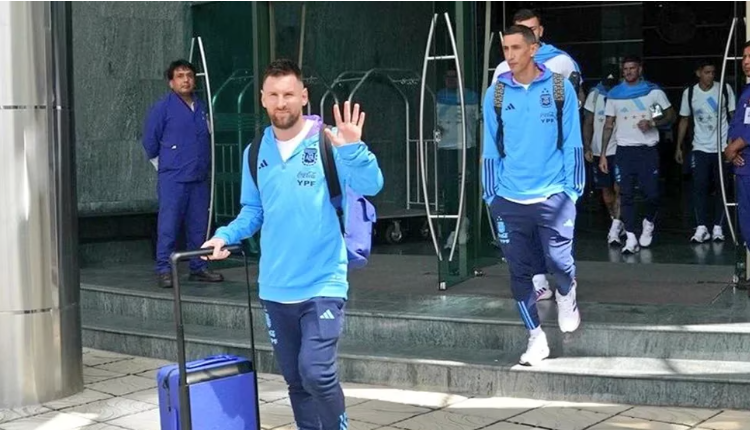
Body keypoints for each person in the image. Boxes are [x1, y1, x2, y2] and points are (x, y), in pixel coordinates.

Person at [201, 59, 384, 430]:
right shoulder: (255, 152)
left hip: (323, 283)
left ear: (304, 96)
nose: (281, 102)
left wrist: (354, 149)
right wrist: (225, 236)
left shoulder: (331, 141)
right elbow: (252, 211)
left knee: (317, 374)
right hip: (274, 287)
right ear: (263, 99)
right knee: (297, 383)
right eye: (274, 95)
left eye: (289, 94)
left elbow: (372, 185)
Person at [482, 25, 584, 366]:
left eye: (515, 48)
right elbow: (490, 149)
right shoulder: (495, 94)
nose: (509, 55)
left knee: (558, 262)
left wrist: (572, 191)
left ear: (533, 49)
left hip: (554, 193)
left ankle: (567, 294)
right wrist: (491, 196)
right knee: (518, 272)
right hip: (509, 198)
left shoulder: (559, 89)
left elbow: (572, 141)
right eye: (505, 49)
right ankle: (535, 338)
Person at [492, 8, 584, 301]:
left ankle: (565, 285)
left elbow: (572, 113)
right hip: (515, 173)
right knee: (525, 237)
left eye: (530, 29)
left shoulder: (561, 62)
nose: (525, 34)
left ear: (539, 32)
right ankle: (538, 279)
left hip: (553, 170)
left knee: (554, 241)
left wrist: (572, 186)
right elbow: (497, 123)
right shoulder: (501, 71)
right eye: (519, 29)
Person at [142, 59, 224, 288]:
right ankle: (164, 269)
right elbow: (149, 140)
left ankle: (198, 266)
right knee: (168, 225)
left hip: (198, 176)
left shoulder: (200, 106)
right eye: (180, 76)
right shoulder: (163, 107)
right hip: (173, 178)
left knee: (198, 224)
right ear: (171, 82)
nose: (186, 79)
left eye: (189, 75)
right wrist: (164, 165)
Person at [600, 56, 676, 254]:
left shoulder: (651, 92)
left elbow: (668, 116)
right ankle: (631, 237)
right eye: (625, 69)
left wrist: (652, 123)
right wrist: (602, 154)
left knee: (652, 194)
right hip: (624, 150)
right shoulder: (615, 94)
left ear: (640, 69)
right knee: (625, 194)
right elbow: (608, 125)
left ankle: (648, 222)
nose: (628, 72)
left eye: (632, 68)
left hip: (647, 149)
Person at [676, 60, 736, 243]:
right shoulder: (691, 93)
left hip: (721, 148)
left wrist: (732, 144)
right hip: (700, 147)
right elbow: (684, 119)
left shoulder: (724, 89)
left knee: (722, 188)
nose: (711, 76)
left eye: (713, 72)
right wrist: (678, 146)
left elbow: (734, 117)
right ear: (698, 73)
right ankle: (702, 226)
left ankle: (718, 227)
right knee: (699, 187)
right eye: (707, 72)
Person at [437, 68, 479, 248]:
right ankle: (451, 228)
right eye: (448, 76)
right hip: (446, 148)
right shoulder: (439, 96)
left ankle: (466, 224)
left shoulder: (471, 97)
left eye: (455, 77)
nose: (451, 80)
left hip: (466, 147)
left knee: (466, 187)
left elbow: (478, 121)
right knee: (449, 188)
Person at [583, 67, 623, 245]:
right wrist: (587, 147)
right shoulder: (595, 95)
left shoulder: (624, 93)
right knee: (606, 190)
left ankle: (616, 225)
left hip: (621, 149)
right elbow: (588, 122)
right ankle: (615, 219)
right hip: (599, 151)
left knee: (619, 188)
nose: (609, 87)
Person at [725, 41, 750, 264]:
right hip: (744, 167)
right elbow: (738, 124)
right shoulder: (746, 92)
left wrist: (733, 147)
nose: (747, 62)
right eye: (744, 57)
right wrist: (731, 147)